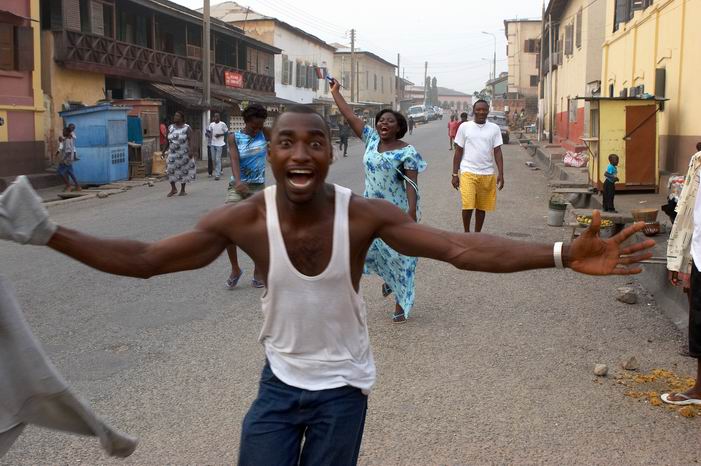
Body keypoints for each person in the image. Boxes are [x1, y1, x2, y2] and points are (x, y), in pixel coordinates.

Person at [0, 106, 655, 465]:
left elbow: (458, 246)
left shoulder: (364, 214)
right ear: (273, 151)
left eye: (315, 142)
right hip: (278, 386)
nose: (301, 154)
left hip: (343, 388)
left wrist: (562, 252)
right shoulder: (243, 218)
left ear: (330, 151)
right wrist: (48, 234)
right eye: (287, 142)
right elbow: (145, 259)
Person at [331, 79, 425, 323]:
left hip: (398, 211)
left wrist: (412, 211)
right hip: (370, 210)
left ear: (398, 128)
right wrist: (336, 93)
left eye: (389, 121)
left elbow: (411, 184)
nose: (383, 123)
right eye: (381, 120)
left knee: (401, 256)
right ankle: (390, 281)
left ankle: (401, 302)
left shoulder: (407, 152)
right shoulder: (371, 139)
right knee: (367, 250)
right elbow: (350, 115)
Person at [665, 143, 701, 406]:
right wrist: (679, 258)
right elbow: (689, 213)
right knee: (699, 324)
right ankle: (700, 389)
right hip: (700, 256)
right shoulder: (698, 161)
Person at [225, 104, 270, 289]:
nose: (256, 130)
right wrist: (238, 181)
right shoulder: (234, 137)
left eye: (260, 126)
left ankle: (258, 269)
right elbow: (234, 160)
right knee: (227, 229)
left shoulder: (265, 133)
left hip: (258, 188)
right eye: (254, 126)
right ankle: (235, 268)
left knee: (261, 232)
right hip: (237, 186)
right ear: (246, 122)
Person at [452, 100, 504, 233]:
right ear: (473, 111)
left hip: (487, 173)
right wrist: (454, 174)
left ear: (488, 111)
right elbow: (458, 151)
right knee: (468, 205)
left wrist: (501, 174)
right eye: (478, 109)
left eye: (484, 110)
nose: (481, 112)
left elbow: (497, 151)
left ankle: (477, 235)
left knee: (481, 207)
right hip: (468, 171)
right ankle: (467, 234)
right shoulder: (465, 127)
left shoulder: (494, 128)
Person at [165, 110, 195, 197]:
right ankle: (173, 188)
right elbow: (167, 140)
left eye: (177, 116)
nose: (175, 117)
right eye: (175, 116)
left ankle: (182, 189)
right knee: (169, 170)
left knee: (183, 171)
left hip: (184, 153)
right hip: (172, 153)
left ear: (182, 118)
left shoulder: (187, 128)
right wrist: (163, 151)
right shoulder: (170, 127)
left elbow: (191, 140)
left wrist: (191, 150)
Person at [57, 126, 81, 192]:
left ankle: (68, 186)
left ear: (67, 132)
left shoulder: (67, 140)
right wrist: (62, 140)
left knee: (60, 172)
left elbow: (68, 152)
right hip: (70, 159)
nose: (63, 132)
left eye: (64, 131)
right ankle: (77, 186)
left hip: (66, 160)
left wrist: (63, 160)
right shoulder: (69, 138)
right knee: (70, 172)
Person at [208, 112, 228, 180]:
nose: (216, 118)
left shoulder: (222, 124)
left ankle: (217, 175)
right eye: (215, 117)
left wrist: (220, 135)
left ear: (219, 117)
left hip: (220, 144)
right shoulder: (211, 124)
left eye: (217, 117)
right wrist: (208, 135)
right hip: (212, 144)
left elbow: (226, 132)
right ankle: (217, 171)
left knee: (217, 159)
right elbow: (209, 132)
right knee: (213, 159)